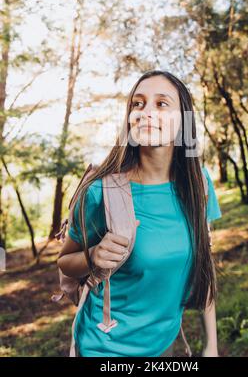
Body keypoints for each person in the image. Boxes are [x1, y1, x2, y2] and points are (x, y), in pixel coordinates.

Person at [58, 70, 222, 357]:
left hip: (164, 346)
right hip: (104, 349)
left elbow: (204, 260)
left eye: (161, 104)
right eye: (138, 103)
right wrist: (93, 256)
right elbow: (65, 262)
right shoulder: (101, 191)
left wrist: (211, 345)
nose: (146, 112)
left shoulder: (199, 185)